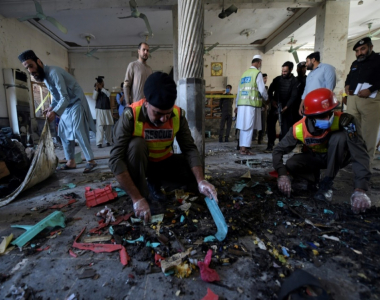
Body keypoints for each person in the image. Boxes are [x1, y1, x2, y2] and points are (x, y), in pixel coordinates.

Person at [109, 72, 218, 222]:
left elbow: (190, 149)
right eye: (158, 113)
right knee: (136, 145)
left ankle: (156, 183)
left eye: (167, 114)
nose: (164, 119)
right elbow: (115, 160)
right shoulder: (131, 115)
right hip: (141, 165)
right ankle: (142, 196)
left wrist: (200, 180)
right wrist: (136, 198)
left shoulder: (178, 115)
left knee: (194, 170)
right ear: (146, 102)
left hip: (163, 163)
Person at [273, 88, 371, 214]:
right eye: (321, 116)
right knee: (292, 163)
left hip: (339, 157)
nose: (327, 119)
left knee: (338, 137)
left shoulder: (346, 121)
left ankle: (327, 183)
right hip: (316, 158)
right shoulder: (299, 128)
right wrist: (282, 175)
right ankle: (313, 179)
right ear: (310, 116)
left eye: (329, 113)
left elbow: (360, 154)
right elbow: (278, 151)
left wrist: (360, 189)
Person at [18, 50, 97, 173]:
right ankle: (71, 162)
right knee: (63, 132)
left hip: (76, 102)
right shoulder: (46, 77)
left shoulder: (54, 73)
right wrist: (51, 107)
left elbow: (64, 97)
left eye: (31, 66)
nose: (30, 71)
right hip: (66, 105)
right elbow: (56, 96)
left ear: (39, 62)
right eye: (27, 68)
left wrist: (55, 112)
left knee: (78, 130)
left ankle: (90, 160)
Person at [344, 37, 380, 165]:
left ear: (370, 47)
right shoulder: (356, 63)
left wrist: (371, 89)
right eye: (357, 51)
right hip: (353, 100)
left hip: (370, 100)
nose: (359, 53)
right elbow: (349, 77)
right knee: (352, 130)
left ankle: (366, 162)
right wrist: (346, 86)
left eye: (362, 49)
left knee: (369, 133)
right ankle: (352, 157)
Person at [235, 54, 268, 155]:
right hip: (250, 104)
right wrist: (267, 99)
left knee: (242, 126)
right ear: (259, 63)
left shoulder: (244, 74)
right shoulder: (257, 73)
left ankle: (242, 148)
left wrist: (236, 106)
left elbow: (239, 90)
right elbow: (262, 90)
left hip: (241, 105)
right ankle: (245, 149)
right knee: (248, 127)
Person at [265, 61, 299, 152]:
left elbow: (294, 96)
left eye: (285, 71)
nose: (283, 73)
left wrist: (287, 107)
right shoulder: (277, 79)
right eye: (282, 71)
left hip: (287, 108)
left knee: (285, 129)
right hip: (275, 106)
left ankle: (282, 147)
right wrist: (272, 101)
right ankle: (270, 145)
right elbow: (269, 91)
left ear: (291, 70)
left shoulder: (294, 81)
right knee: (270, 126)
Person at [93, 76, 114, 148]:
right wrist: (96, 89)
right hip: (99, 110)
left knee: (108, 126)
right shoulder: (96, 91)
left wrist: (101, 88)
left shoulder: (106, 90)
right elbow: (94, 98)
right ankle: (99, 143)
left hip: (107, 110)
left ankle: (108, 141)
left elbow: (109, 94)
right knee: (100, 126)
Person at [257, 73, 269, 144]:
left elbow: (267, 98)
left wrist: (266, 106)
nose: (265, 80)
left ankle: (260, 138)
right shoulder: (257, 87)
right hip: (258, 107)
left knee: (263, 124)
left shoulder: (266, 88)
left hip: (264, 108)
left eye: (266, 78)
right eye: (264, 78)